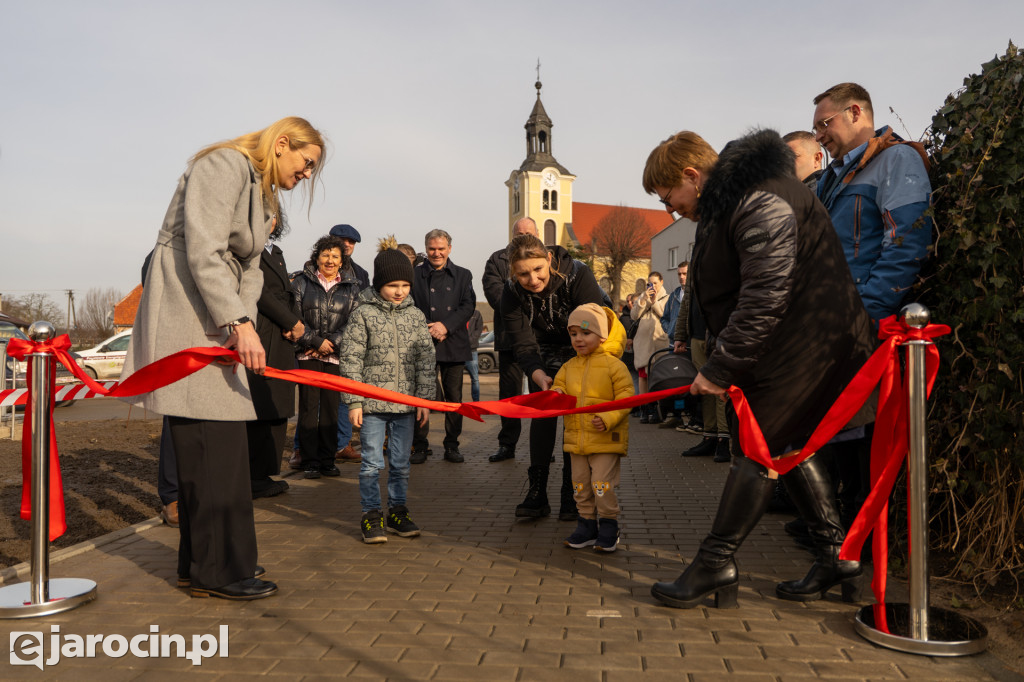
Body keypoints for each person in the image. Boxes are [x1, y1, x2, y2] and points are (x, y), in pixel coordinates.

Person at [643, 128, 876, 609]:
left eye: (671, 198)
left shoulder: (759, 198)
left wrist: (721, 366)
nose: (671, 210)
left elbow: (765, 296)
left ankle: (716, 561)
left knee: (760, 449)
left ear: (692, 175)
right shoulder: (736, 199)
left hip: (806, 347)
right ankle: (836, 554)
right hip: (792, 346)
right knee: (786, 445)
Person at [122, 116, 325, 600]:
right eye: (307, 162)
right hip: (190, 324)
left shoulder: (261, 192)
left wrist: (243, 320)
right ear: (281, 145)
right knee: (213, 450)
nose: (308, 174)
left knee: (219, 453)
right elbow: (206, 254)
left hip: (220, 325)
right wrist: (238, 323)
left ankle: (203, 565)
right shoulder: (223, 165)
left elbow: (251, 268)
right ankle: (220, 572)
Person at [810, 82, 934, 540]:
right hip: (828, 324)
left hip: (862, 327)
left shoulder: (895, 160)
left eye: (825, 124)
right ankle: (835, 536)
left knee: (860, 439)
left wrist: (865, 313)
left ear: (856, 111)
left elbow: (907, 243)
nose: (819, 136)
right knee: (835, 434)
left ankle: (856, 546)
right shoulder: (830, 177)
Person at [502, 233, 606, 520]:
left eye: (538, 270)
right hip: (544, 350)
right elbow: (523, 342)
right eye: (523, 274)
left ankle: (571, 493)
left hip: (584, 348)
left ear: (549, 259)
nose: (532, 280)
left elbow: (593, 326)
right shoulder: (511, 292)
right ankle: (537, 492)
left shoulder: (578, 275)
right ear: (513, 272)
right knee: (543, 413)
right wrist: (538, 375)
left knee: (575, 419)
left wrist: (574, 374)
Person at [339, 239, 435, 544]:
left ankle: (397, 512)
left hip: (405, 406)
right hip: (372, 406)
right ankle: (371, 515)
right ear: (380, 283)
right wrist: (354, 401)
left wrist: (423, 400)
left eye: (405, 285)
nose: (400, 291)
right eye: (393, 284)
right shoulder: (363, 314)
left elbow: (426, 361)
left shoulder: (416, 316)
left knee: (400, 463)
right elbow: (351, 359)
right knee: (370, 463)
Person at [553, 304, 634, 552]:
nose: (578, 339)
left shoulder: (614, 366)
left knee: (601, 483)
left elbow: (626, 397)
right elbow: (559, 388)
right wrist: (555, 394)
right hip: (577, 439)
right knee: (580, 485)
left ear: (602, 336)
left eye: (585, 333)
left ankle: (609, 526)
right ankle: (586, 526)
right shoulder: (568, 367)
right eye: (574, 333)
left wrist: (608, 418)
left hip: (606, 438)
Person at [292, 234, 362, 479]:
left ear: (342, 261)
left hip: (335, 357)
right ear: (317, 257)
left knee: (332, 410)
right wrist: (314, 342)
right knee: (309, 409)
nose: (330, 261)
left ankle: (327, 459)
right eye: (325, 255)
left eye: (335, 256)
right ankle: (310, 461)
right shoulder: (300, 283)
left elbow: (355, 323)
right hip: (307, 356)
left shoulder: (353, 287)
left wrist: (330, 343)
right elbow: (295, 317)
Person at [247, 213, 302, 498]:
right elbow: (261, 293)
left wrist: (295, 323)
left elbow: (287, 294)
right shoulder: (250, 251)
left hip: (281, 337)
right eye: (264, 215)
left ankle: (266, 472)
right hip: (265, 335)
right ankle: (254, 477)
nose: (270, 221)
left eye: (274, 216)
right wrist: (290, 322)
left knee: (278, 408)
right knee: (262, 407)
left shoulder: (274, 252)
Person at [411, 229, 476, 463]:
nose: (436, 253)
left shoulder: (463, 275)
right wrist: (428, 327)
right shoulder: (414, 274)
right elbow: (408, 305)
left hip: (452, 342)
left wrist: (446, 326)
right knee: (422, 397)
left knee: (454, 398)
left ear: (449, 248)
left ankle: (452, 445)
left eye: (441, 248)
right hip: (423, 342)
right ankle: (419, 446)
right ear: (426, 248)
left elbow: (468, 306)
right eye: (432, 249)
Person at [481, 216, 539, 463]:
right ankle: (507, 445)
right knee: (509, 396)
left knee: (541, 394)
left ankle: (541, 446)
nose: (524, 238)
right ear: (512, 235)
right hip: (509, 337)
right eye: (519, 234)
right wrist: (523, 300)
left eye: (529, 233)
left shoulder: (549, 258)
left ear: (536, 236)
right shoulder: (497, 260)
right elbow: (495, 294)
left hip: (540, 338)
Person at [327, 224, 370, 463]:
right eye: (342, 241)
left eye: (351, 242)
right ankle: (304, 448)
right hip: (321, 341)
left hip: (351, 341)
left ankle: (343, 444)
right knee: (316, 397)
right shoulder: (316, 266)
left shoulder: (361, 273)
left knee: (347, 395)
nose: (347, 245)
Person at [630, 272, 669, 423]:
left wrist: (654, 302)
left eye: (655, 283)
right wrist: (643, 299)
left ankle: (658, 408)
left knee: (658, 376)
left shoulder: (667, 298)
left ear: (662, 282)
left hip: (659, 343)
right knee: (643, 376)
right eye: (649, 284)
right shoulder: (644, 297)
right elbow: (634, 315)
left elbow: (664, 315)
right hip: (643, 343)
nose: (653, 287)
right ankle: (645, 408)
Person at [466, 309, 484, 402]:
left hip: (472, 350)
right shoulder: (457, 312)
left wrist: (469, 340)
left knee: (475, 378)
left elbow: (479, 329)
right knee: (456, 379)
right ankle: (456, 402)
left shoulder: (476, 314)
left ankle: (476, 401)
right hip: (458, 350)